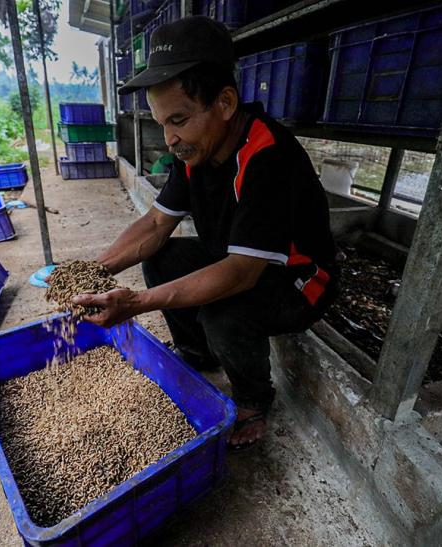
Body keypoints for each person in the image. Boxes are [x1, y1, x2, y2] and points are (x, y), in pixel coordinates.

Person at [73, 16, 337, 450]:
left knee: (224, 314)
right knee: (161, 257)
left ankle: (253, 400)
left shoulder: (267, 158)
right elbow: (156, 224)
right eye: (162, 123)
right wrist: (92, 271)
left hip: (297, 279)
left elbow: (240, 273)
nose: (170, 138)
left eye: (178, 119)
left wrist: (136, 303)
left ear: (226, 102)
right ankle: (199, 356)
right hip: (235, 260)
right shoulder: (194, 148)